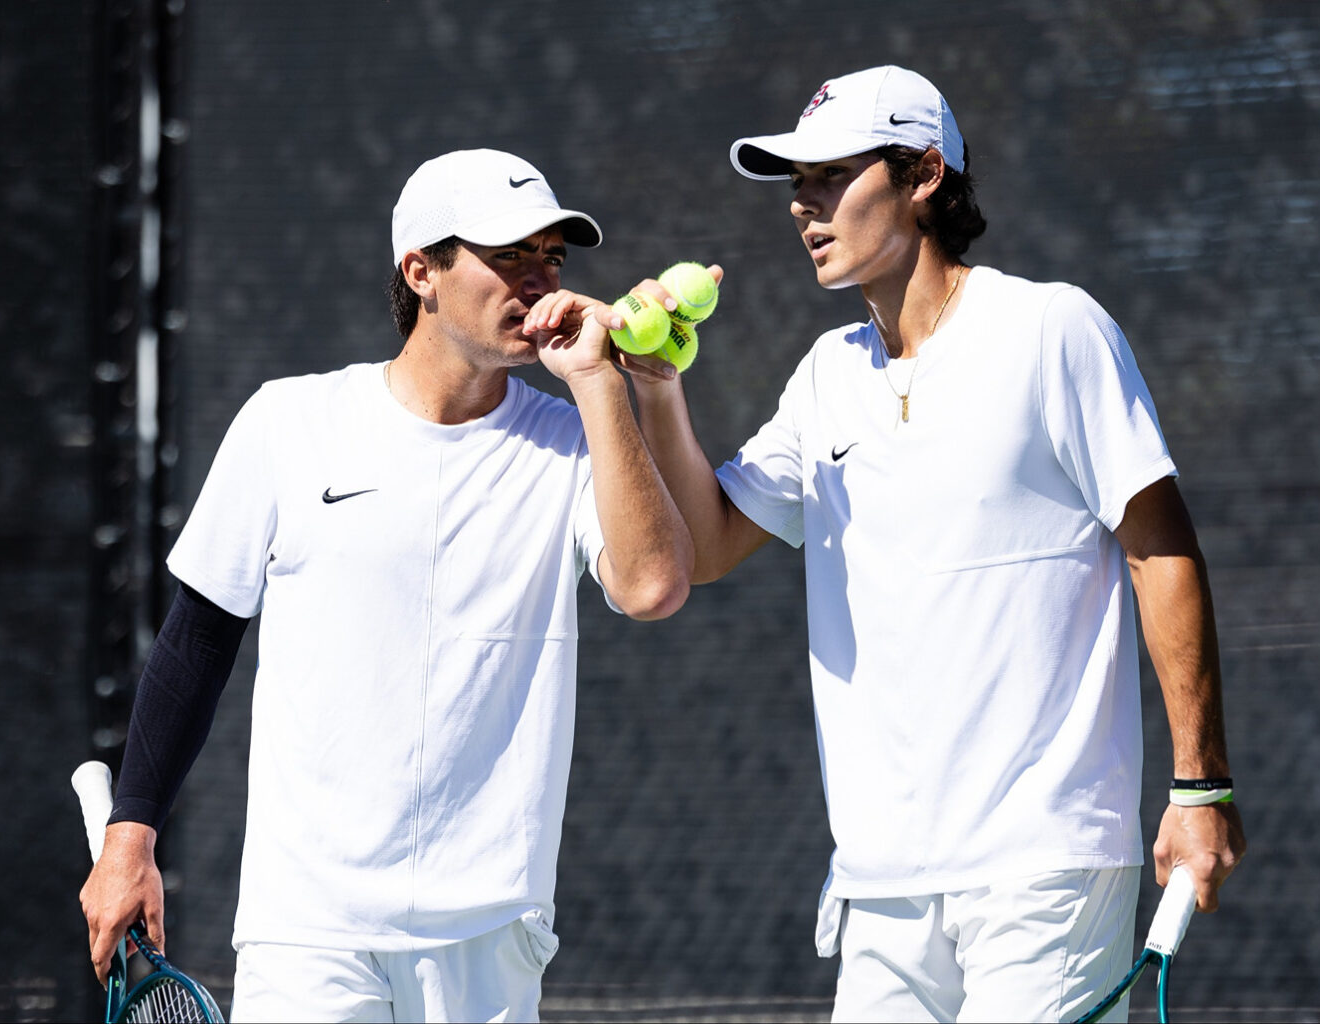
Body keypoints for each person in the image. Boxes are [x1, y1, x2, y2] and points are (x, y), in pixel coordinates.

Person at [624, 66, 1246, 1021]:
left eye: (833, 176)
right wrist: (657, 390)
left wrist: (1199, 788)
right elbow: (703, 546)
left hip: (1046, 868)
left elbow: (1160, 551)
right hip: (880, 883)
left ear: (922, 175)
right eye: (798, 181)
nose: (802, 203)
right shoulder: (826, 375)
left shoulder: (1052, 329)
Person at [78, 148, 694, 1023]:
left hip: (489, 931)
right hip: (309, 932)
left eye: (551, 257)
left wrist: (599, 382)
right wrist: (129, 838)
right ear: (421, 272)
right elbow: (196, 644)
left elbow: (652, 587)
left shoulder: (571, 440)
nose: (540, 280)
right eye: (508, 255)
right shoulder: (288, 422)